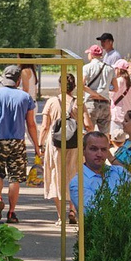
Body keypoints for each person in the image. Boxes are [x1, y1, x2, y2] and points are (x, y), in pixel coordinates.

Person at [0, 65, 38, 225]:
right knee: (15, 177)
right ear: (18, 80)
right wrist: (37, 146)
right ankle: (11, 212)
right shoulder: (25, 98)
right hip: (17, 142)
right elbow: (31, 124)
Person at [39, 70, 83, 219]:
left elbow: (45, 126)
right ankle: (72, 210)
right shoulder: (78, 102)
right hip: (75, 144)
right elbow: (88, 125)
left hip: (55, 145)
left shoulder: (51, 102)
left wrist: (40, 144)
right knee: (73, 175)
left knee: (55, 175)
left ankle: (60, 216)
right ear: (74, 86)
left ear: (60, 86)